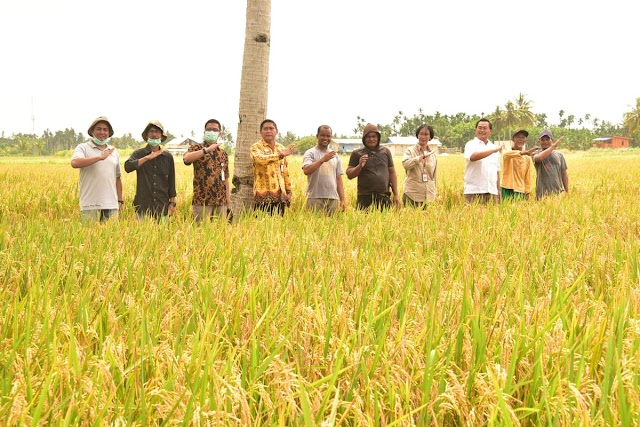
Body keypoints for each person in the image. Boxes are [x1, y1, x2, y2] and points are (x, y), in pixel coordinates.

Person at [71, 116, 123, 222]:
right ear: (92, 131)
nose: (102, 132)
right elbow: (75, 163)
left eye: (105, 130)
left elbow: (117, 178)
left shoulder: (113, 152)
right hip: (90, 203)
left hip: (111, 204)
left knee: (111, 237)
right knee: (89, 236)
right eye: (98, 129)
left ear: (109, 133)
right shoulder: (83, 148)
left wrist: (120, 201)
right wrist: (100, 157)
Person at [124, 120, 177, 220]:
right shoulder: (139, 154)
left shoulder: (167, 157)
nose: (154, 134)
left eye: (157, 132)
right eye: (151, 131)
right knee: (143, 235)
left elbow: (171, 181)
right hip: (143, 206)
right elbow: (128, 167)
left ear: (161, 136)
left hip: (162, 205)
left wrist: (172, 203)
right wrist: (148, 157)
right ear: (147, 135)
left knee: (162, 235)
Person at [183, 119, 231, 222]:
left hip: (220, 201)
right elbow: (186, 159)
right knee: (201, 234)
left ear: (219, 133)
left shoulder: (223, 153)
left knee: (221, 233)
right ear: (204, 132)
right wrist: (206, 150)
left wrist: (228, 199)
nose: (212, 132)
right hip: (202, 200)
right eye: (209, 129)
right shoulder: (196, 148)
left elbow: (225, 177)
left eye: (215, 130)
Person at [346, 123, 399, 210]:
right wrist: (359, 166)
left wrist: (396, 194)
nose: (371, 139)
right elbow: (349, 175)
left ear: (378, 138)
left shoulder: (385, 151)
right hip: (364, 197)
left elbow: (392, 173)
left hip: (383, 195)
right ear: (364, 139)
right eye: (368, 137)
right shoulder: (357, 153)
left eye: (374, 136)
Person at [250, 119, 295, 215]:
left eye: (271, 128)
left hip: (280, 196)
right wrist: (280, 155)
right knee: (263, 226)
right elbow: (260, 159)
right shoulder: (256, 147)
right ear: (260, 132)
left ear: (276, 131)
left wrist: (289, 191)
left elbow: (285, 172)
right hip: (262, 196)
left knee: (278, 227)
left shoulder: (281, 148)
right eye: (265, 129)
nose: (268, 131)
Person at [302, 125, 346, 214]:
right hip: (314, 197)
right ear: (317, 136)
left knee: (332, 226)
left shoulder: (334, 155)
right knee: (314, 225)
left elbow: (338, 178)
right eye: (322, 135)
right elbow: (306, 170)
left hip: (333, 198)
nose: (325, 138)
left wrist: (342, 199)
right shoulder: (310, 153)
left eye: (328, 136)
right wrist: (322, 160)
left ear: (331, 138)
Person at [463, 118, 501, 204]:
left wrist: (498, 191)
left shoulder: (494, 147)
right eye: (480, 128)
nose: (482, 130)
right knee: (472, 217)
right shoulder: (470, 144)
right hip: (473, 191)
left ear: (490, 131)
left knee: (492, 217)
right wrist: (493, 151)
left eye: (485, 128)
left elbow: (497, 172)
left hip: (491, 191)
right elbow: (473, 157)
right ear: (475, 130)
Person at [402, 124, 438, 208]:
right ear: (417, 135)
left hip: (428, 197)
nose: (423, 136)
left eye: (426, 134)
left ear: (430, 137)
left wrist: (433, 192)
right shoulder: (410, 151)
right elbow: (406, 164)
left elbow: (433, 176)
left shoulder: (432, 155)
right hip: (412, 194)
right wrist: (419, 158)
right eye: (421, 134)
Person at [500, 129, 539, 201]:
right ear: (513, 139)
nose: (520, 139)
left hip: (520, 189)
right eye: (518, 137)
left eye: (523, 137)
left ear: (525, 140)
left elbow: (527, 177)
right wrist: (524, 153)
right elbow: (508, 154)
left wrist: (527, 192)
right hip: (506, 187)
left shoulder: (527, 158)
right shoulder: (507, 152)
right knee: (504, 210)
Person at [532, 130, 568, 199]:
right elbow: (539, 158)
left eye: (547, 139)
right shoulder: (535, 153)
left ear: (552, 140)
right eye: (542, 140)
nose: (545, 142)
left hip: (558, 193)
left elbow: (564, 173)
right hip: (542, 194)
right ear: (539, 141)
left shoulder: (559, 155)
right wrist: (553, 146)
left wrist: (567, 190)